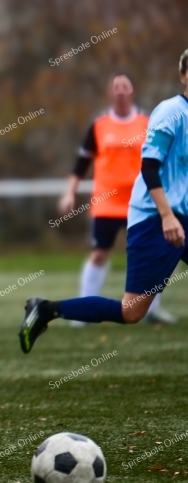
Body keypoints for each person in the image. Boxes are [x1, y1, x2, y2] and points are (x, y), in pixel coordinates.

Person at [20, 49, 188, 353]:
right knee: (131, 310)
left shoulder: (152, 118)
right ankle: (46, 309)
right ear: (183, 76)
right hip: (154, 217)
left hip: (180, 215)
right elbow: (149, 167)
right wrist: (166, 216)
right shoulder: (170, 112)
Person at [58, 74, 176, 325]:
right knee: (99, 253)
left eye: (125, 87)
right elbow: (81, 163)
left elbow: (162, 159)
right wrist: (70, 192)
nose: (120, 91)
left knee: (155, 255)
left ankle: (151, 309)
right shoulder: (99, 125)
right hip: (107, 204)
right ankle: (82, 312)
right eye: (116, 88)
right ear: (110, 93)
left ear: (132, 91)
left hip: (144, 204)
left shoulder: (147, 122)